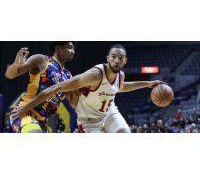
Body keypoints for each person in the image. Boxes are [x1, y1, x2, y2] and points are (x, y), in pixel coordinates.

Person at [12, 44, 164, 133]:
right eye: (113, 57)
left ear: (125, 61)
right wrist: (27, 105)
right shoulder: (94, 75)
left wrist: (148, 84)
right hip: (89, 120)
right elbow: (54, 88)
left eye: (121, 58)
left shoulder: (120, 75)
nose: (117, 60)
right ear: (107, 58)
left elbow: (121, 87)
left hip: (109, 113)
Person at [5, 41, 77, 133]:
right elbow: (9, 75)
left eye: (73, 49)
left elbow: (74, 103)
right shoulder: (42, 60)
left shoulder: (67, 75)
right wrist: (16, 65)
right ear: (58, 49)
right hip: (24, 112)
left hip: (43, 121)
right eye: (69, 47)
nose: (73, 51)